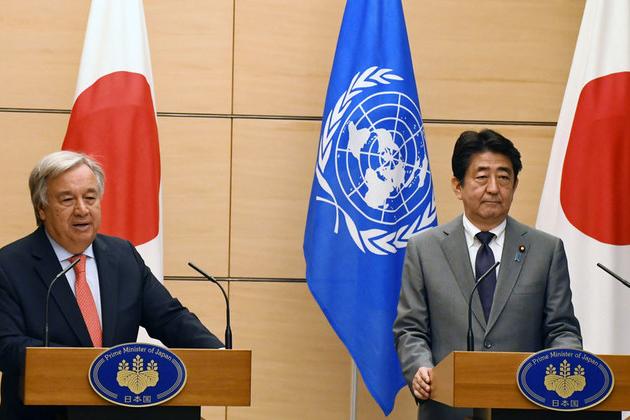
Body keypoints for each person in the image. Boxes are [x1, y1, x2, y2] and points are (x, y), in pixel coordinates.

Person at [0, 151, 223, 420]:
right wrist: (82, 366)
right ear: (42, 209)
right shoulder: (10, 265)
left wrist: (219, 355)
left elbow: (168, 317)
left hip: (122, 411)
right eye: (67, 199)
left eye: (90, 198)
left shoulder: (122, 256)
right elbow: (6, 345)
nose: (82, 209)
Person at [393, 129, 582, 420]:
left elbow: (562, 330)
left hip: (524, 409)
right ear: (458, 186)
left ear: (515, 185)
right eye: (482, 177)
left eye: (504, 177)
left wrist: (564, 366)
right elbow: (410, 329)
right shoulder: (424, 249)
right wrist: (420, 368)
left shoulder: (546, 250)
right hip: (447, 409)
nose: (494, 188)